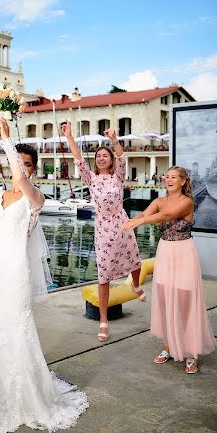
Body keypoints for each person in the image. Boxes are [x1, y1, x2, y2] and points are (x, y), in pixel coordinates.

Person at [0, 118, 88, 433]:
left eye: (25, 165)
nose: (18, 169)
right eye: (15, 164)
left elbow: (21, 180)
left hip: (15, 272)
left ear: (33, 170)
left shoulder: (34, 197)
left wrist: (9, 142)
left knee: (17, 326)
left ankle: (24, 393)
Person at [123, 166, 217, 374]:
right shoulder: (158, 201)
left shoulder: (187, 202)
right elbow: (147, 213)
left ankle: (191, 353)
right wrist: (131, 221)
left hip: (184, 252)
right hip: (165, 251)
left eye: (174, 177)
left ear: (183, 181)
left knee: (185, 300)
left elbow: (165, 216)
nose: (169, 179)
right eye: (167, 176)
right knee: (166, 299)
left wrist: (140, 221)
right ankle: (168, 346)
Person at [62, 120, 143, 343]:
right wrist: (69, 136)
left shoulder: (118, 176)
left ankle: (136, 285)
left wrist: (114, 140)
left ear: (110, 160)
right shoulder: (91, 179)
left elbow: (122, 158)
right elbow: (78, 160)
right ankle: (104, 321)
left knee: (136, 260)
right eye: (98, 156)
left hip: (122, 223)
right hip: (103, 230)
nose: (101, 158)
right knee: (104, 275)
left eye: (105, 155)